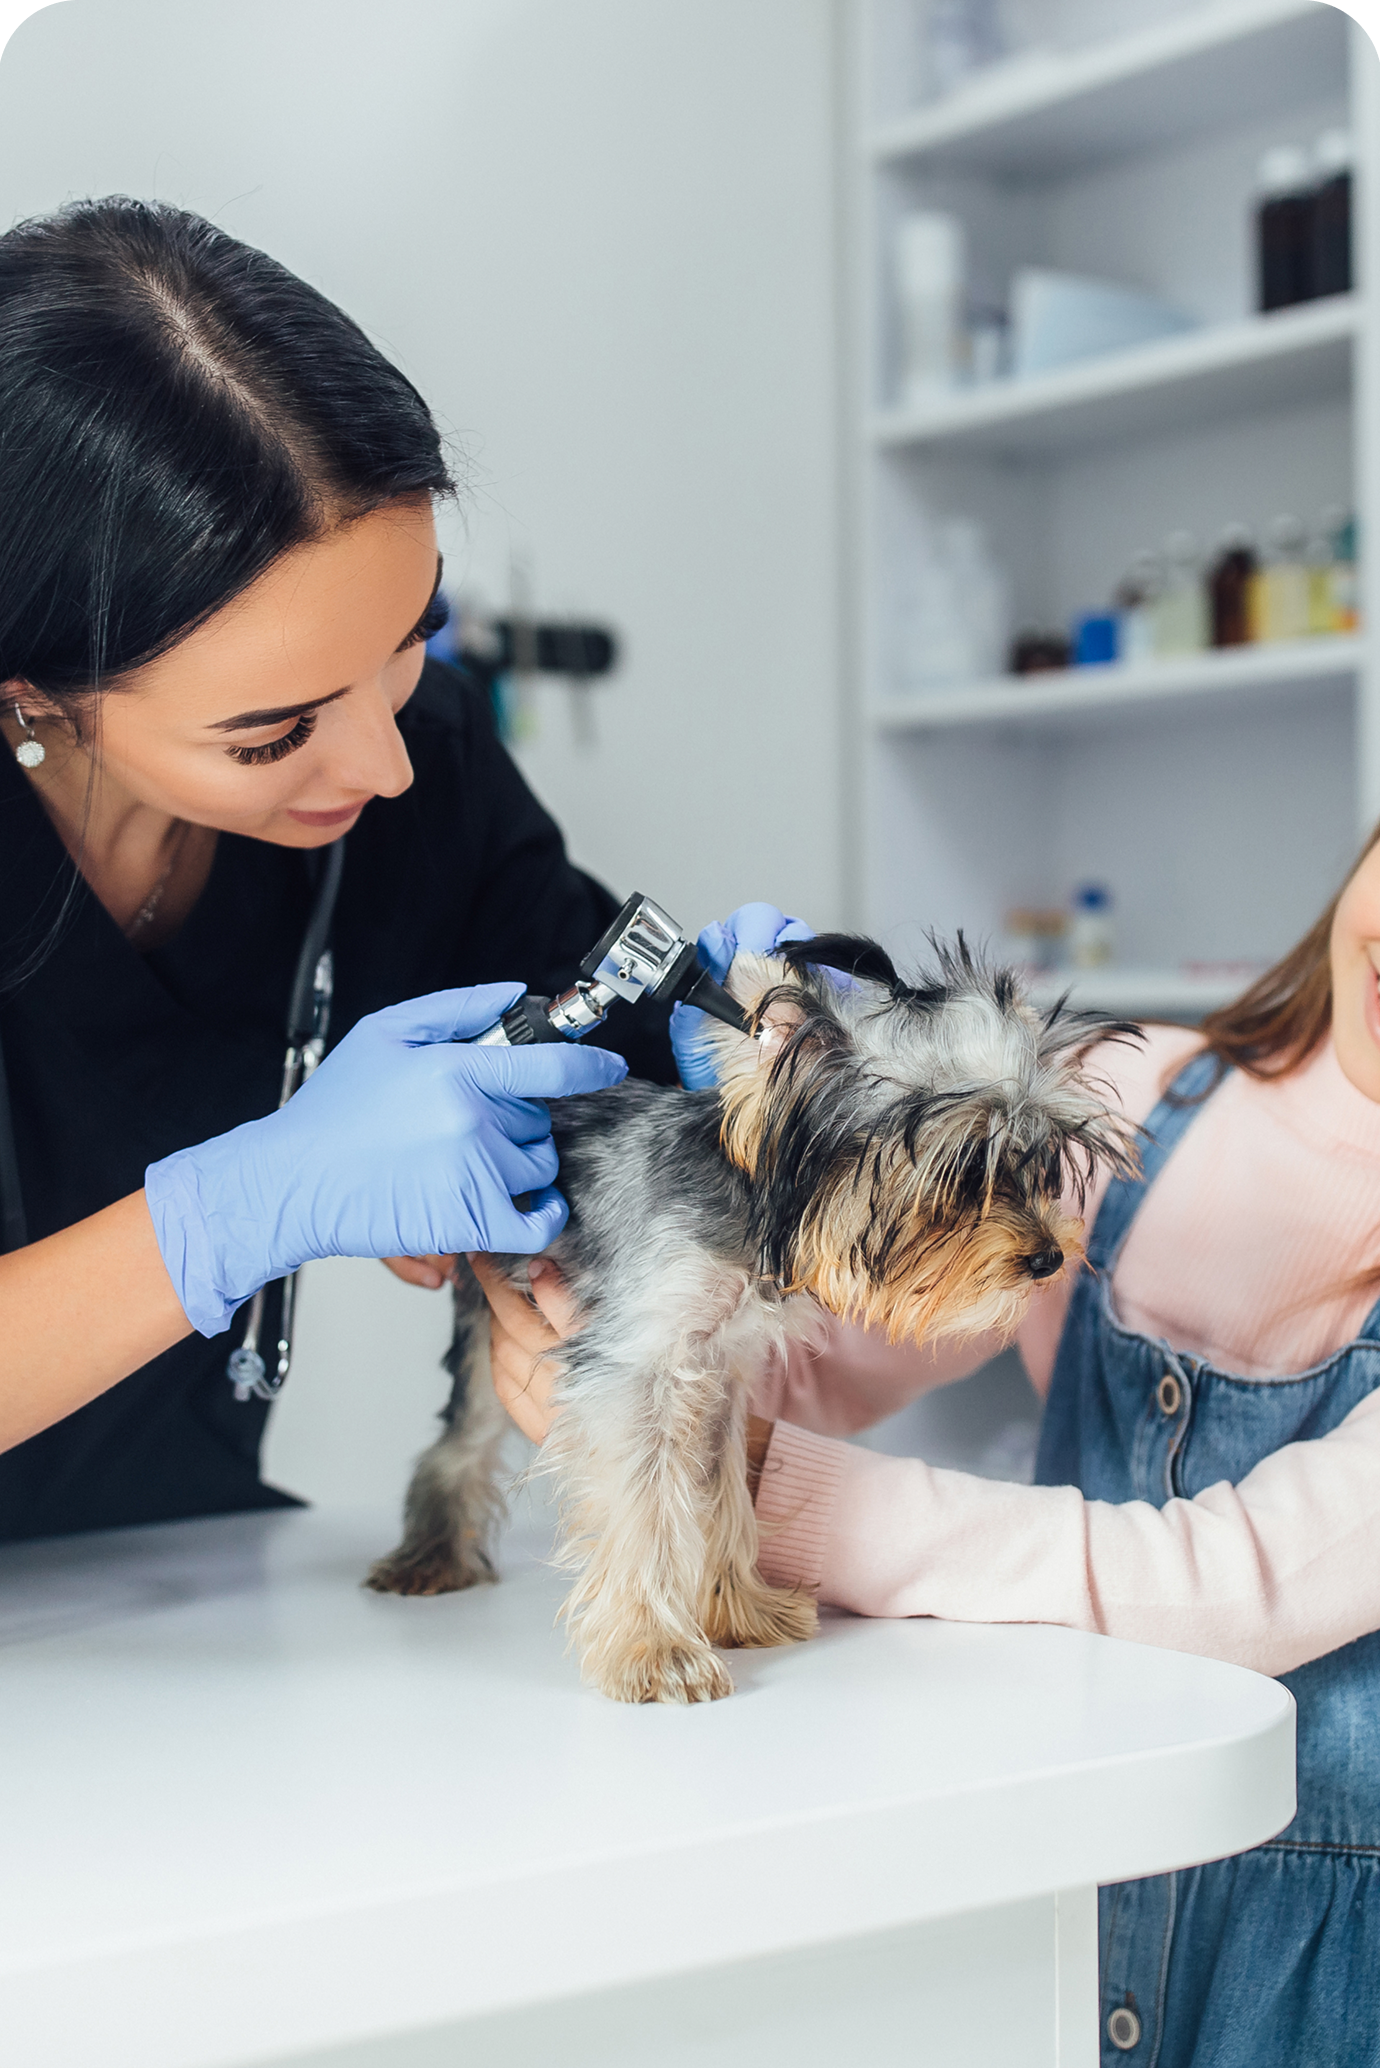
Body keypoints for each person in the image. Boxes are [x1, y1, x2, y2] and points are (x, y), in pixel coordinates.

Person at [484, 837, 1380, 2068]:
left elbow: (1241, 1588)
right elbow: (844, 1337)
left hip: (1320, 1932)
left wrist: (747, 1472)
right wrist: (637, 1316)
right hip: (1082, 1834)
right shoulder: (1136, 1094)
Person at [0, 195, 793, 1542]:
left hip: (185, 1568)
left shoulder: (423, 778)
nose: (383, 764)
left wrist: (775, 1042)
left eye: (408, 637)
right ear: (37, 702)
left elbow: (614, 1038)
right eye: (273, 732)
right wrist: (242, 1208)